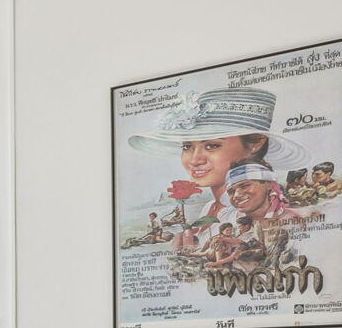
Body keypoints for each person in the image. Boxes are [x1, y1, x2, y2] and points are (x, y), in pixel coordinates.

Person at [127, 87, 311, 231]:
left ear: (255, 143)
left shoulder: (260, 210)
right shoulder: (209, 208)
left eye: (212, 146)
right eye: (187, 146)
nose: (195, 159)